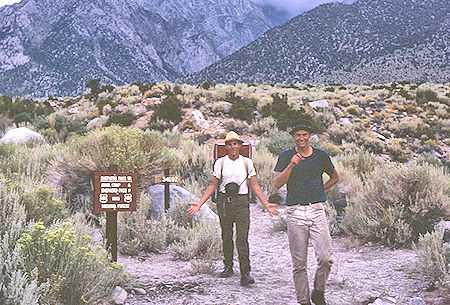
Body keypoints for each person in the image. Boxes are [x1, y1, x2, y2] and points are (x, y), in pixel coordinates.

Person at [188, 131, 279, 286]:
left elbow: (254, 185)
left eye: (235, 144)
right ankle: (228, 266)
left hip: (241, 202)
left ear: (240, 146)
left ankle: (245, 273)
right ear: (226, 146)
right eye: (229, 144)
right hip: (224, 202)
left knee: (242, 238)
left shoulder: (247, 163)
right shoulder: (220, 163)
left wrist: (266, 204)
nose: (233, 147)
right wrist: (200, 203)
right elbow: (213, 185)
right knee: (227, 235)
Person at [274, 120, 339, 305]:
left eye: (304, 135)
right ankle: (303, 301)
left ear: (309, 136)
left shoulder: (320, 155)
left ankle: (318, 292)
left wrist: (320, 190)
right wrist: (291, 165)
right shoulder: (287, 155)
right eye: (297, 135)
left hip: (317, 210)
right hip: (295, 212)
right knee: (299, 263)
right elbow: (277, 184)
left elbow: (335, 177)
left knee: (326, 258)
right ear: (293, 137)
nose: (301, 138)